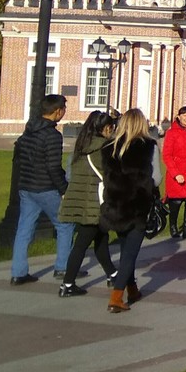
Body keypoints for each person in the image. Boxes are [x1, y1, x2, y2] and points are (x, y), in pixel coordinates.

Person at [9, 94, 74, 286]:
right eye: (63, 109)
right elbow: (53, 167)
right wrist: (64, 189)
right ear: (57, 111)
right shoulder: (53, 136)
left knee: (24, 228)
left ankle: (18, 272)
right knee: (65, 224)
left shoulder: (28, 131)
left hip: (27, 186)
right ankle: (62, 268)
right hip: (46, 187)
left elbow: (19, 158)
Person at [101, 108, 159, 313]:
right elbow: (157, 177)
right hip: (137, 205)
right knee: (130, 254)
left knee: (126, 248)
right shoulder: (149, 146)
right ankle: (116, 297)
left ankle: (132, 288)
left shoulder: (109, 146)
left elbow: (106, 175)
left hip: (115, 203)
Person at [57, 110, 119, 297]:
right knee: (82, 244)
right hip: (95, 202)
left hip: (82, 199)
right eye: (111, 128)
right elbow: (111, 175)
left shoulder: (82, 146)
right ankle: (67, 284)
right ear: (106, 128)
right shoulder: (104, 148)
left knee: (100, 240)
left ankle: (112, 274)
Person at [161, 105, 186, 238]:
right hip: (178, 174)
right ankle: (173, 226)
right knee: (176, 203)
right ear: (179, 116)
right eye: (184, 115)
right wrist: (175, 173)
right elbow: (167, 155)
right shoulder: (172, 133)